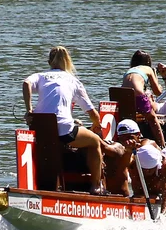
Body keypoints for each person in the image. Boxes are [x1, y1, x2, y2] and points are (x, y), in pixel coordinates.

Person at [22, 45, 106, 195]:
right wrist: (95, 124)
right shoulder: (73, 81)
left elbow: (26, 83)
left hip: (39, 129)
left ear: (49, 62)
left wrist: (29, 110)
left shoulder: (41, 76)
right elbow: (93, 114)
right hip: (63, 131)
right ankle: (96, 186)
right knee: (95, 142)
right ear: (68, 62)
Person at [115, 119, 166, 216]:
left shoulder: (165, 164)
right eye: (122, 139)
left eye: (130, 137)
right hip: (138, 194)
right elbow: (120, 169)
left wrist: (162, 219)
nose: (127, 142)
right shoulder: (129, 153)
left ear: (138, 134)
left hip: (157, 196)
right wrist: (129, 151)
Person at [122, 50, 166, 147]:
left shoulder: (129, 71)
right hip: (137, 94)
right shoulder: (148, 69)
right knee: (152, 119)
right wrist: (156, 76)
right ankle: (162, 146)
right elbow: (157, 92)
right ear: (148, 62)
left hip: (123, 94)